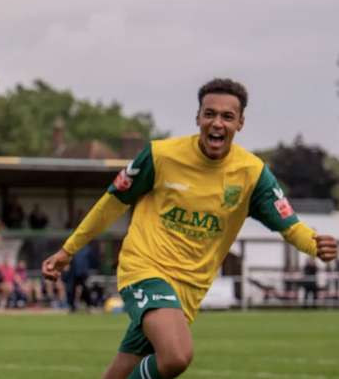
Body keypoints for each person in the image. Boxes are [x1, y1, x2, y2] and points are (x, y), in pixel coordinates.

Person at [42, 78, 338, 379]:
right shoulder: (160, 156)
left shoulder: (252, 174)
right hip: (145, 270)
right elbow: (111, 204)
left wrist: (315, 244)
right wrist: (68, 250)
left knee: (120, 373)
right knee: (176, 356)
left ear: (240, 123)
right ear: (198, 117)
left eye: (227, 116)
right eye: (209, 114)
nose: (217, 123)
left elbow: (289, 225)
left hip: (189, 290)